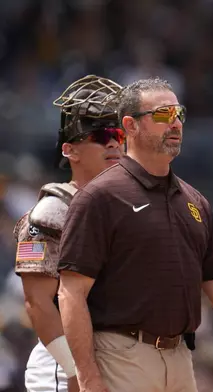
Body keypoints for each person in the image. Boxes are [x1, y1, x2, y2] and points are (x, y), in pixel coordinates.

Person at [56, 77, 213, 392]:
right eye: (163, 115)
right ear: (130, 126)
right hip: (120, 356)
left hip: (180, 357)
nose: (176, 123)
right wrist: (87, 376)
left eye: (179, 114)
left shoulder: (196, 202)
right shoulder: (100, 197)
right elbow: (71, 294)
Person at [14, 74, 125, 392]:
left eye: (118, 133)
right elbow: (37, 302)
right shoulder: (49, 213)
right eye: (100, 135)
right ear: (70, 150)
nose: (113, 144)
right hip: (63, 370)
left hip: (116, 363)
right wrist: (77, 372)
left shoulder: (125, 207)